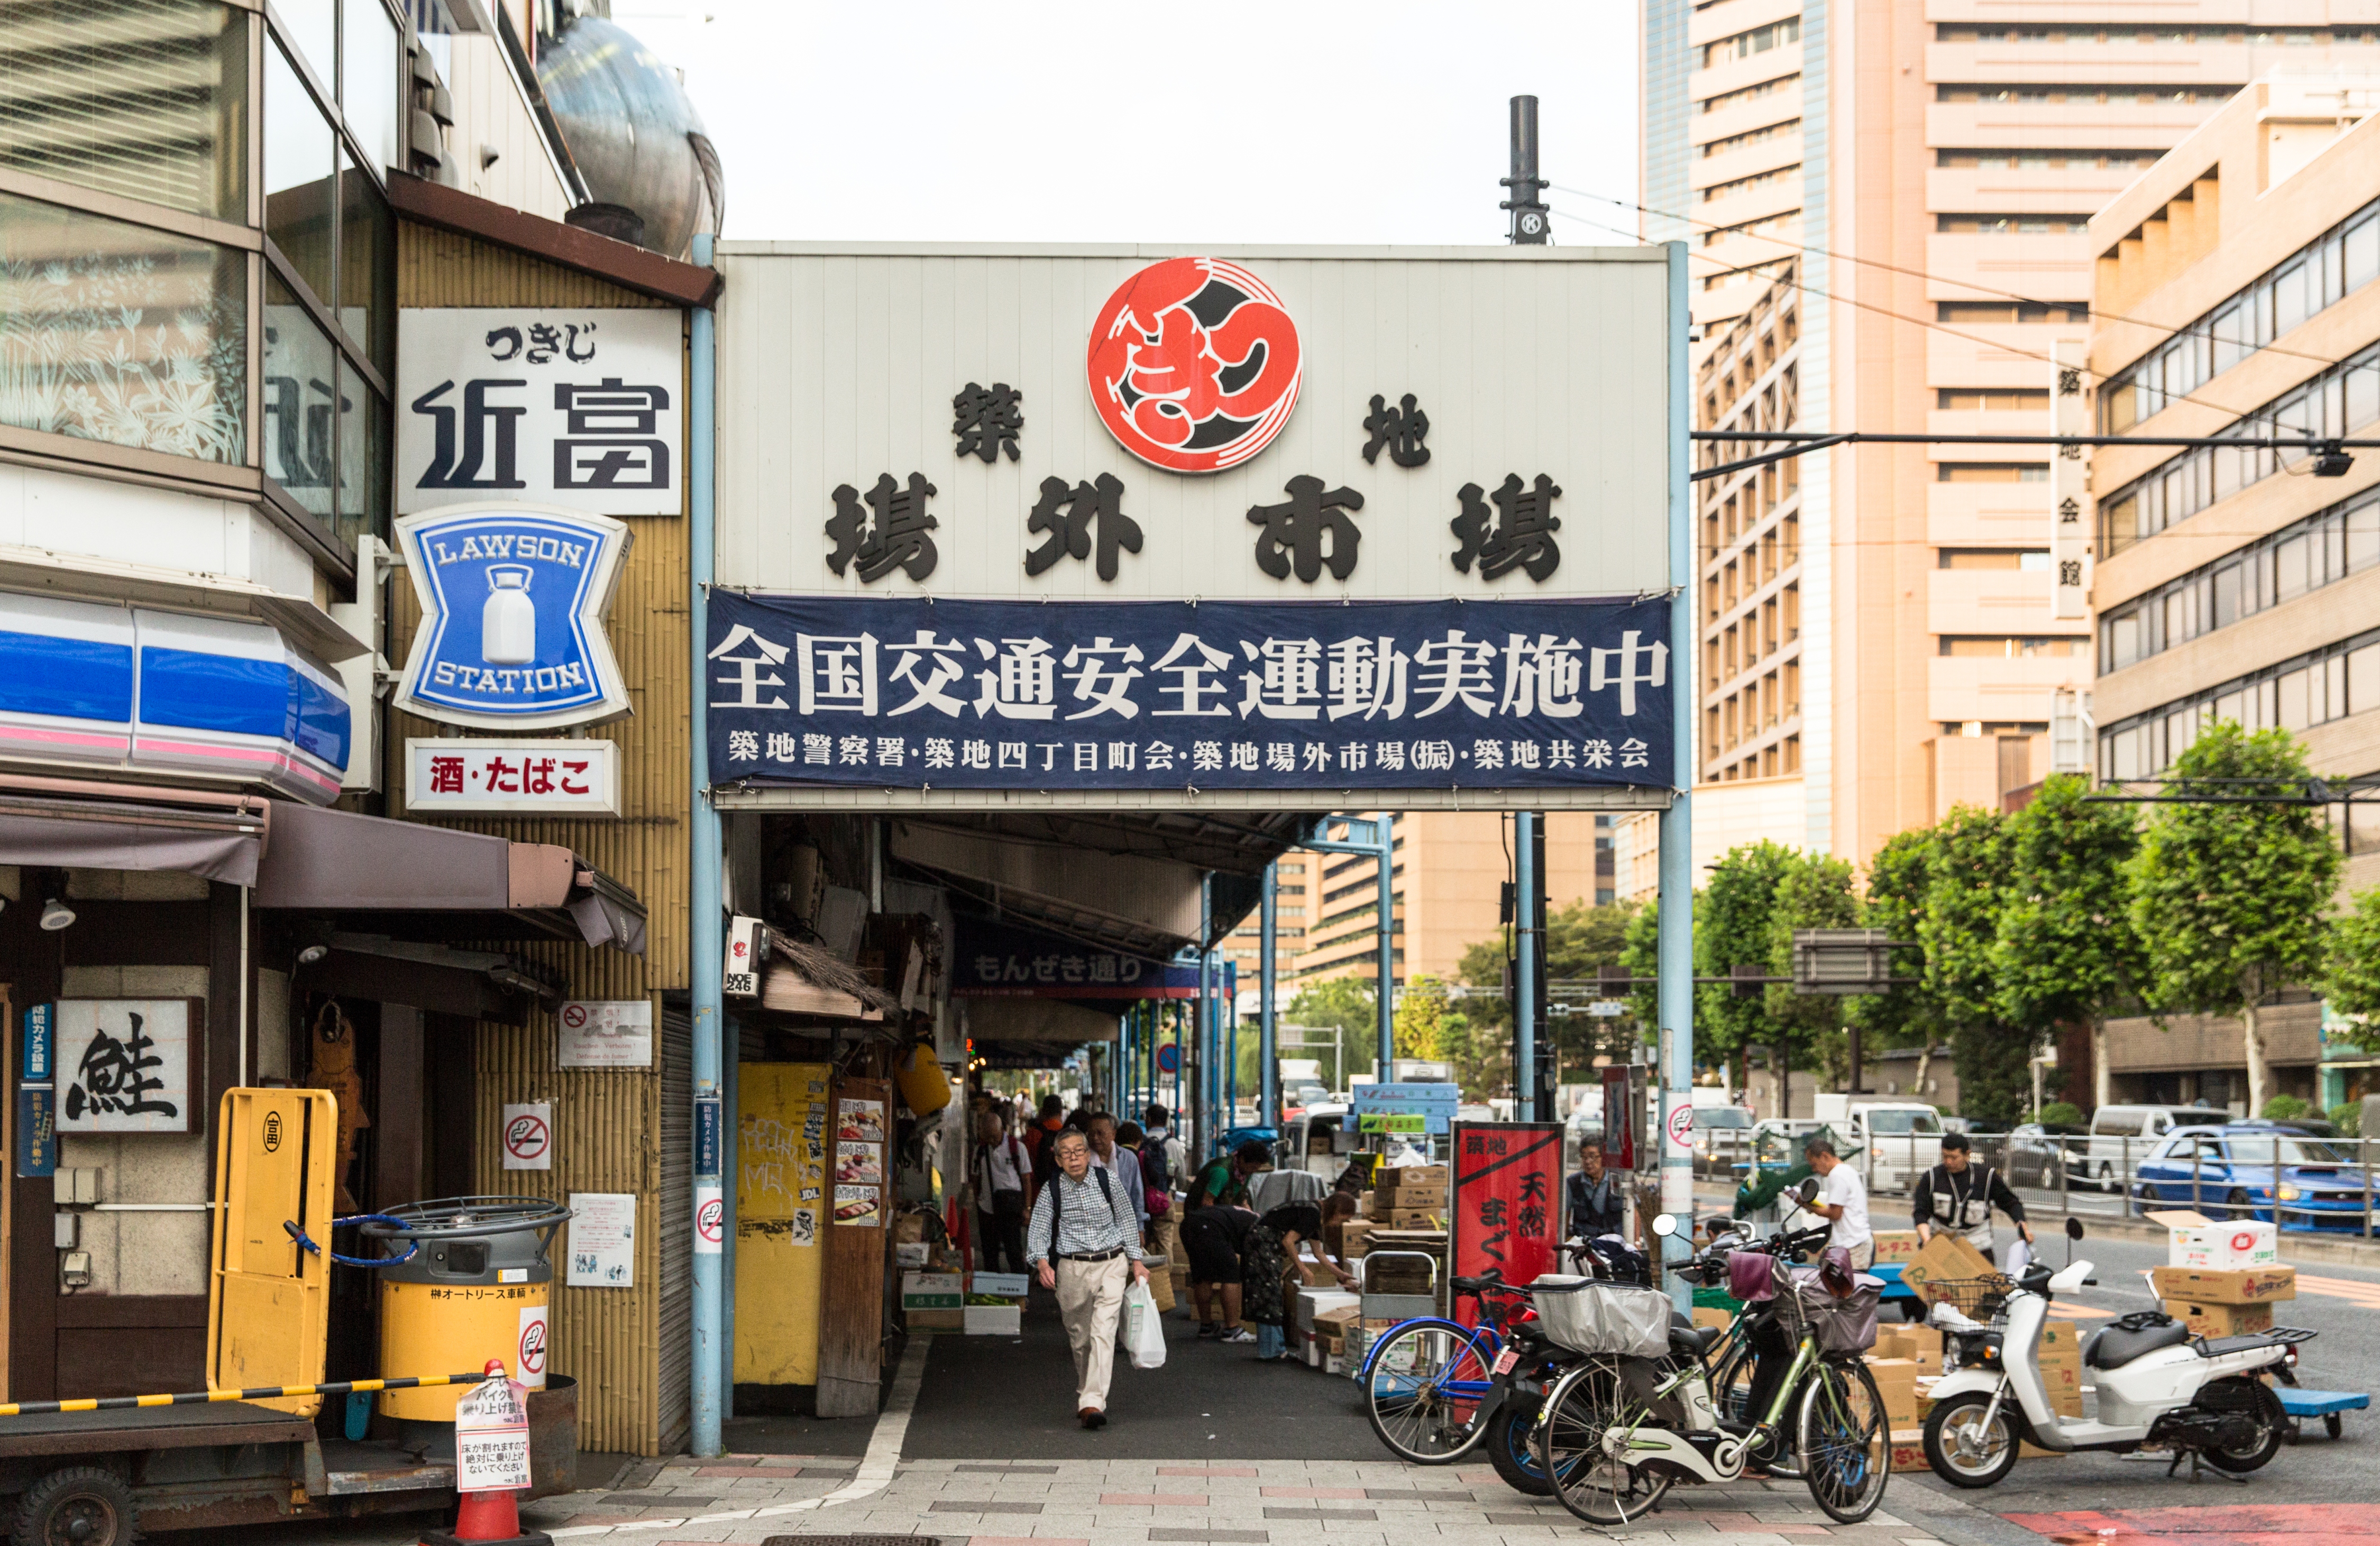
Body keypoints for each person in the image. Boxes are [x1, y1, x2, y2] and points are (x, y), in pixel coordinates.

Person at [1025, 1128, 1149, 1429]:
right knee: (1080, 1339)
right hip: (1072, 1267)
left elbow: (1126, 1219)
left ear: (1088, 1154)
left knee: (1103, 1332)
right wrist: (1042, 1263)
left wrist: (1136, 1261)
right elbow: (1039, 1229)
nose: (1074, 1158)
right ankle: (1087, 1392)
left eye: (1079, 1151)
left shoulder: (1108, 1180)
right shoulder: (1051, 1189)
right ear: (1057, 1160)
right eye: (1066, 1153)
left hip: (1112, 1263)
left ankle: (1093, 1401)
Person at [1240, 1203, 1356, 1362]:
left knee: (1271, 1294)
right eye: (1343, 1219)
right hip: (1262, 1243)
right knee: (1268, 1295)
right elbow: (1288, 1242)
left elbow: (1319, 1253)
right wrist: (1303, 1269)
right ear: (1336, 1213)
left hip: (1263, 1241)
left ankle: (1276, 1349)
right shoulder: (1313, 1214)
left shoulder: (1315, 1217)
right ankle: (1271, 1351)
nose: (1341, 1224)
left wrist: (1341, 1275)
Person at [1912, 1130, 2031, 1265]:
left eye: (1954, 1157)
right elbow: (1920, 1212)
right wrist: (1927, 1241)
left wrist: (2022, 1227)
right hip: (1943, 1243)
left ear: (1967, 1155)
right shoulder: (1931, 1178)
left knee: (1986, 1283)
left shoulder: (1986, 1177)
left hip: (1978, 1245)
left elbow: (2011, 1203)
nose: (1948, 1162)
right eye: (1945, 1156)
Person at [1179, 1202, 1258, 1340]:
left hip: (1189, 1223)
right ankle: (1232, 1330)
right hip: (1211, 1227)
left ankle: (1207, 1326)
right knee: (1232, 1276)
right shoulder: (1261, 1228)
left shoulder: (1250, 1217)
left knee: (1202, 1275)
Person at [1804, 1137, 1873, 1269]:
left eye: (1814, 1164)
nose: (1814, 1170)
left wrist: (1809, 1207)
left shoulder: (1837, 1175)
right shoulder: (1847, 1171)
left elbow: (1835, 1213)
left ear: (1825, 1156)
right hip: (1857, 1242)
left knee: (1847, 1289)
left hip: (1853, 1245)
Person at [976, 1109, 1031, 1273]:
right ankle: (993, 1290)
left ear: (1002, 1130)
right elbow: (975, 1178)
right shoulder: (980, 1151)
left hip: (1011, 1209)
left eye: (994, 1136)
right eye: (987, 1137)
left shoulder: (1018, 1148)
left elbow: (1026, 1180)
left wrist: (1027, 1208)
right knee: (990, 1254)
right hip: (987, 1208)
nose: (991, 1140)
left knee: (1014, 1251)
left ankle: (1021, 1292)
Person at [1087, 1112, 1150, 1244]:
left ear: (1113, 1134)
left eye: (1100, 1133)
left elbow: (1137, 1197)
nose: (1095, 1138)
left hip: (1122, 1229)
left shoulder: (1128, 1159)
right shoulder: (1082, 1159)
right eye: (1091, 1133)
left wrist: (1140, 1230)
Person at [1187, 1139, 1268, 1213]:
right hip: (1199, 1216)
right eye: (1253, 1168)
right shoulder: (1222, 1172)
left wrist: (1252, 1216)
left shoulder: (1244, 1174)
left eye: (1256, 1169)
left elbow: (1241, 1200)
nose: (1253, 1172)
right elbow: (1207, 1203)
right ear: (1242, 1159)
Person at [1566, 1142, 1626, 1240]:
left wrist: (1636, 1243)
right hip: (1584, 1244)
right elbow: (1565, 1215)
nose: (1588, 1162)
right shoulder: (1573, 1183)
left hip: (1615, 1243)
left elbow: (1633, 1211)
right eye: (1584, 1157)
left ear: (1604, 1158)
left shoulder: (1618, 1180)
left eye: (1592, 1156)